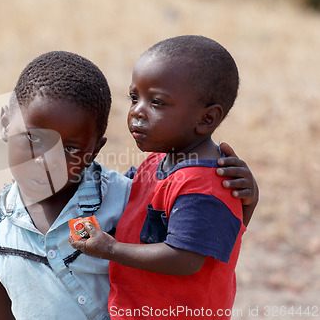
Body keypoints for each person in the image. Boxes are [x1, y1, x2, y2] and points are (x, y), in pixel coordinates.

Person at [0, 50, 258, 319]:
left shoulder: (122, 199)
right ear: (6, 124)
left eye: (71, 149)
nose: (45, 161)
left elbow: (198, 240)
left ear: (94, 149)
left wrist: (243, 202)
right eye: (33, 139)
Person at [69, 36, 255, 319]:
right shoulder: (157, 162)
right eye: (134, 97)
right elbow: (115, 198)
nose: (137, 112)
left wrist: (111, 248)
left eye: (156, 102)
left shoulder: (204, 183)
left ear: (206, 119)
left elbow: (187, 258)